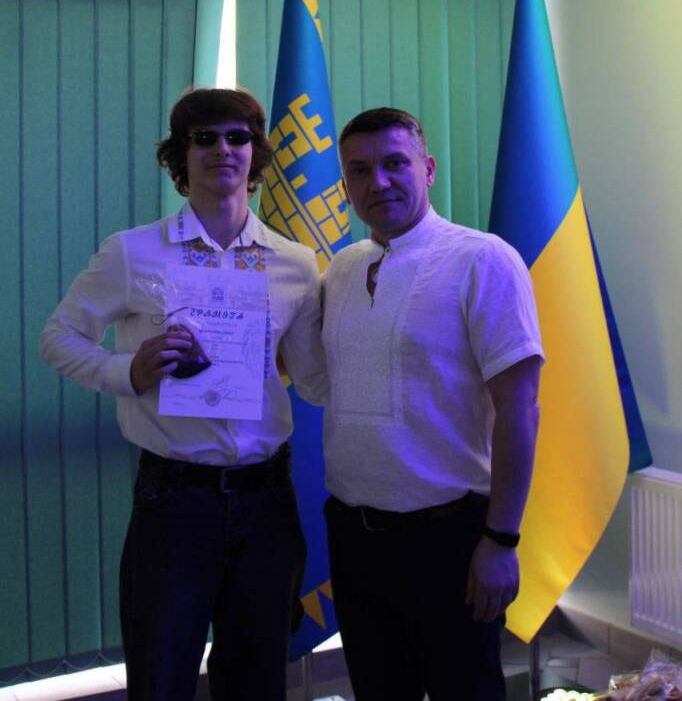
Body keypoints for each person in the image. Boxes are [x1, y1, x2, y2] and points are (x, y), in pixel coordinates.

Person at [40, 87, 326, 701]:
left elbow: (315, 378)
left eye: (237, 137)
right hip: (174, 501)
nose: (223, 149)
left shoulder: (296, 264)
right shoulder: (132, 252)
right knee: (162, 679)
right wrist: (129, 372)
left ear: (255, 153)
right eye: (205, 138)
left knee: (256, 681)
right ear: (180, 155)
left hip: (266, 500)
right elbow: (58, 339)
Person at [321, 107, 543, 701]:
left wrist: (502, 540)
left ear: (428, 169)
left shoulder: (482, 260)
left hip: (450, 541)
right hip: (355, 537)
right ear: (345, 184)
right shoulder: (342, 270)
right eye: (360, 170)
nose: (378, 182)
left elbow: (520, 408)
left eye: (395, 163)